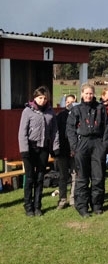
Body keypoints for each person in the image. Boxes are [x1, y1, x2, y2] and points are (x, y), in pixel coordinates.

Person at [66, 83, 108, 218]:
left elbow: (106, 128)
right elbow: (70, 129)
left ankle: (97, 205)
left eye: (90, 93)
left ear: (94, 94)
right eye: (86, 93)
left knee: (98, 177)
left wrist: (104, 145)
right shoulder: (76, 110)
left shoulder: (100, 108)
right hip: (82, 144)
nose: (88, 96)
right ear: (82, 94)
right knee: (82, 178)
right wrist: (75, 147)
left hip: (97, 143)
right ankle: (82, 207)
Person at [18, 86, 59, 216]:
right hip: (30, 148)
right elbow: (22, 133)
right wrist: (24, 150)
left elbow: (54, 132)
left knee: (40, 178)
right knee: (30, 178)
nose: (42, 100)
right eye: (40, 98)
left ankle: (37, 206)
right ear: (35, 98)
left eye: (45, 98)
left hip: (44, 148)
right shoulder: (27, 111)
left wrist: (55, 147)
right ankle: (28, 206)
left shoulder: (50, 112)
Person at [55, 94, 77, 209]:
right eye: (67, 102)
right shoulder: (60, 116)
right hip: (62, 150)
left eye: (72, 101)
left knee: (75, 175)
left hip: (75, 150)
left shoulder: (78, 115)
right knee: (63, 176)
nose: (69, 104)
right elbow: (56, 133)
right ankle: (62, 199)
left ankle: (73, 198)